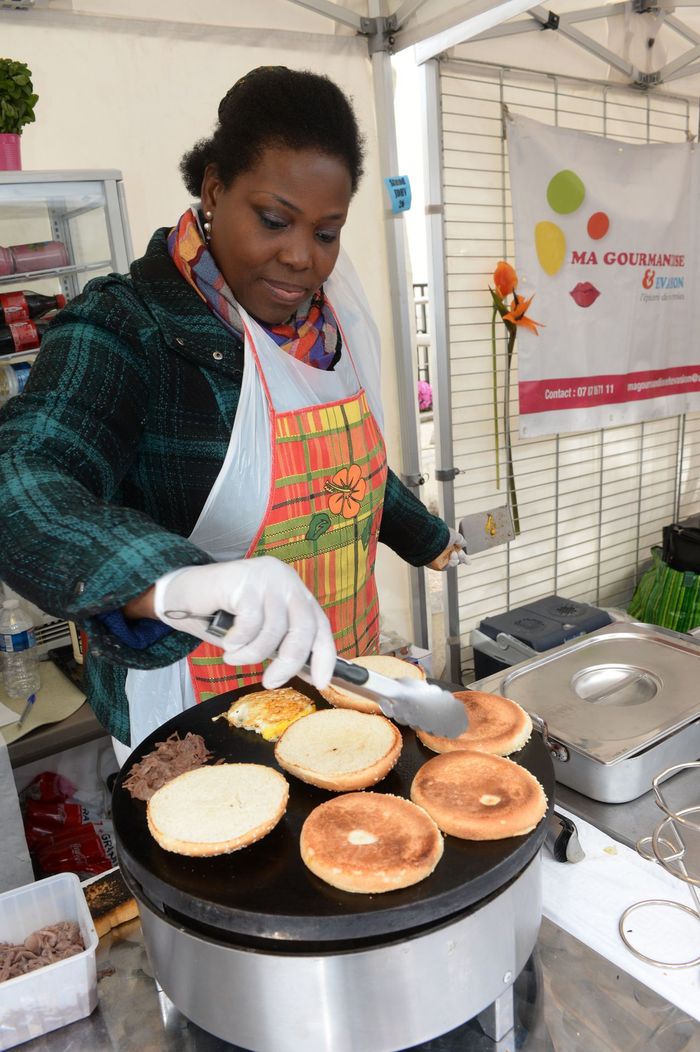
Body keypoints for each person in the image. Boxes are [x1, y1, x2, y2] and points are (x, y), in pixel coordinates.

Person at [0, 66, 466, 762]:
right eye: (274, 220)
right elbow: (23, 476)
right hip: (198, 706)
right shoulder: (130, 327)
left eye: (328, 231)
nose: (302, 258)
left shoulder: (333, 319)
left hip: (344, 677)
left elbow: (351, 469)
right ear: (214, 190)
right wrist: (174, 579)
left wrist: (426, 535)